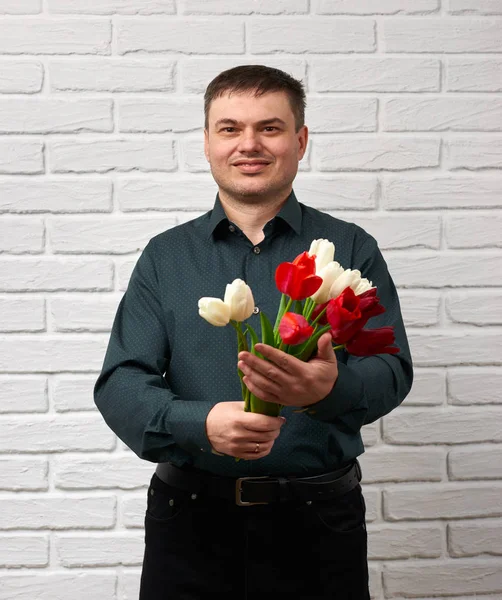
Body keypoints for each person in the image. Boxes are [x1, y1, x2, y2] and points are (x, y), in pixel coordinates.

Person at [94, 65, 413, 600]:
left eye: (270, 128)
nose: (249, 144)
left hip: (319, 527)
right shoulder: (165, 256)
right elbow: (121, 382)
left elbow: (390, 370)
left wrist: (326, 391)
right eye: (229, 128)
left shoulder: (350, 249)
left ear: (300, 140)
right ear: (207, 142)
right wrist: (201, 423)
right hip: (189, 527)